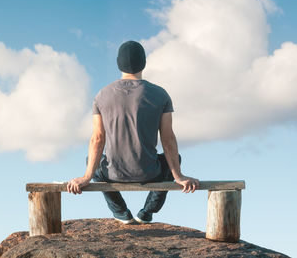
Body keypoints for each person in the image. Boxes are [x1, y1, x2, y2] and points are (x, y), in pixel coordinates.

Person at [67, 40, 199, 224]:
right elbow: (168, 139)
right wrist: (179, 176)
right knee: (176, 159)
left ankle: (121, 212)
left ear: (118, 63)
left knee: (91, 161)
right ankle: (147, 212)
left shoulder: (102, 95)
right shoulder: (160, 94)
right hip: (149, 173)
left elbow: (98, 138)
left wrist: (87, 176)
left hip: (113, 173)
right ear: (144, 62)